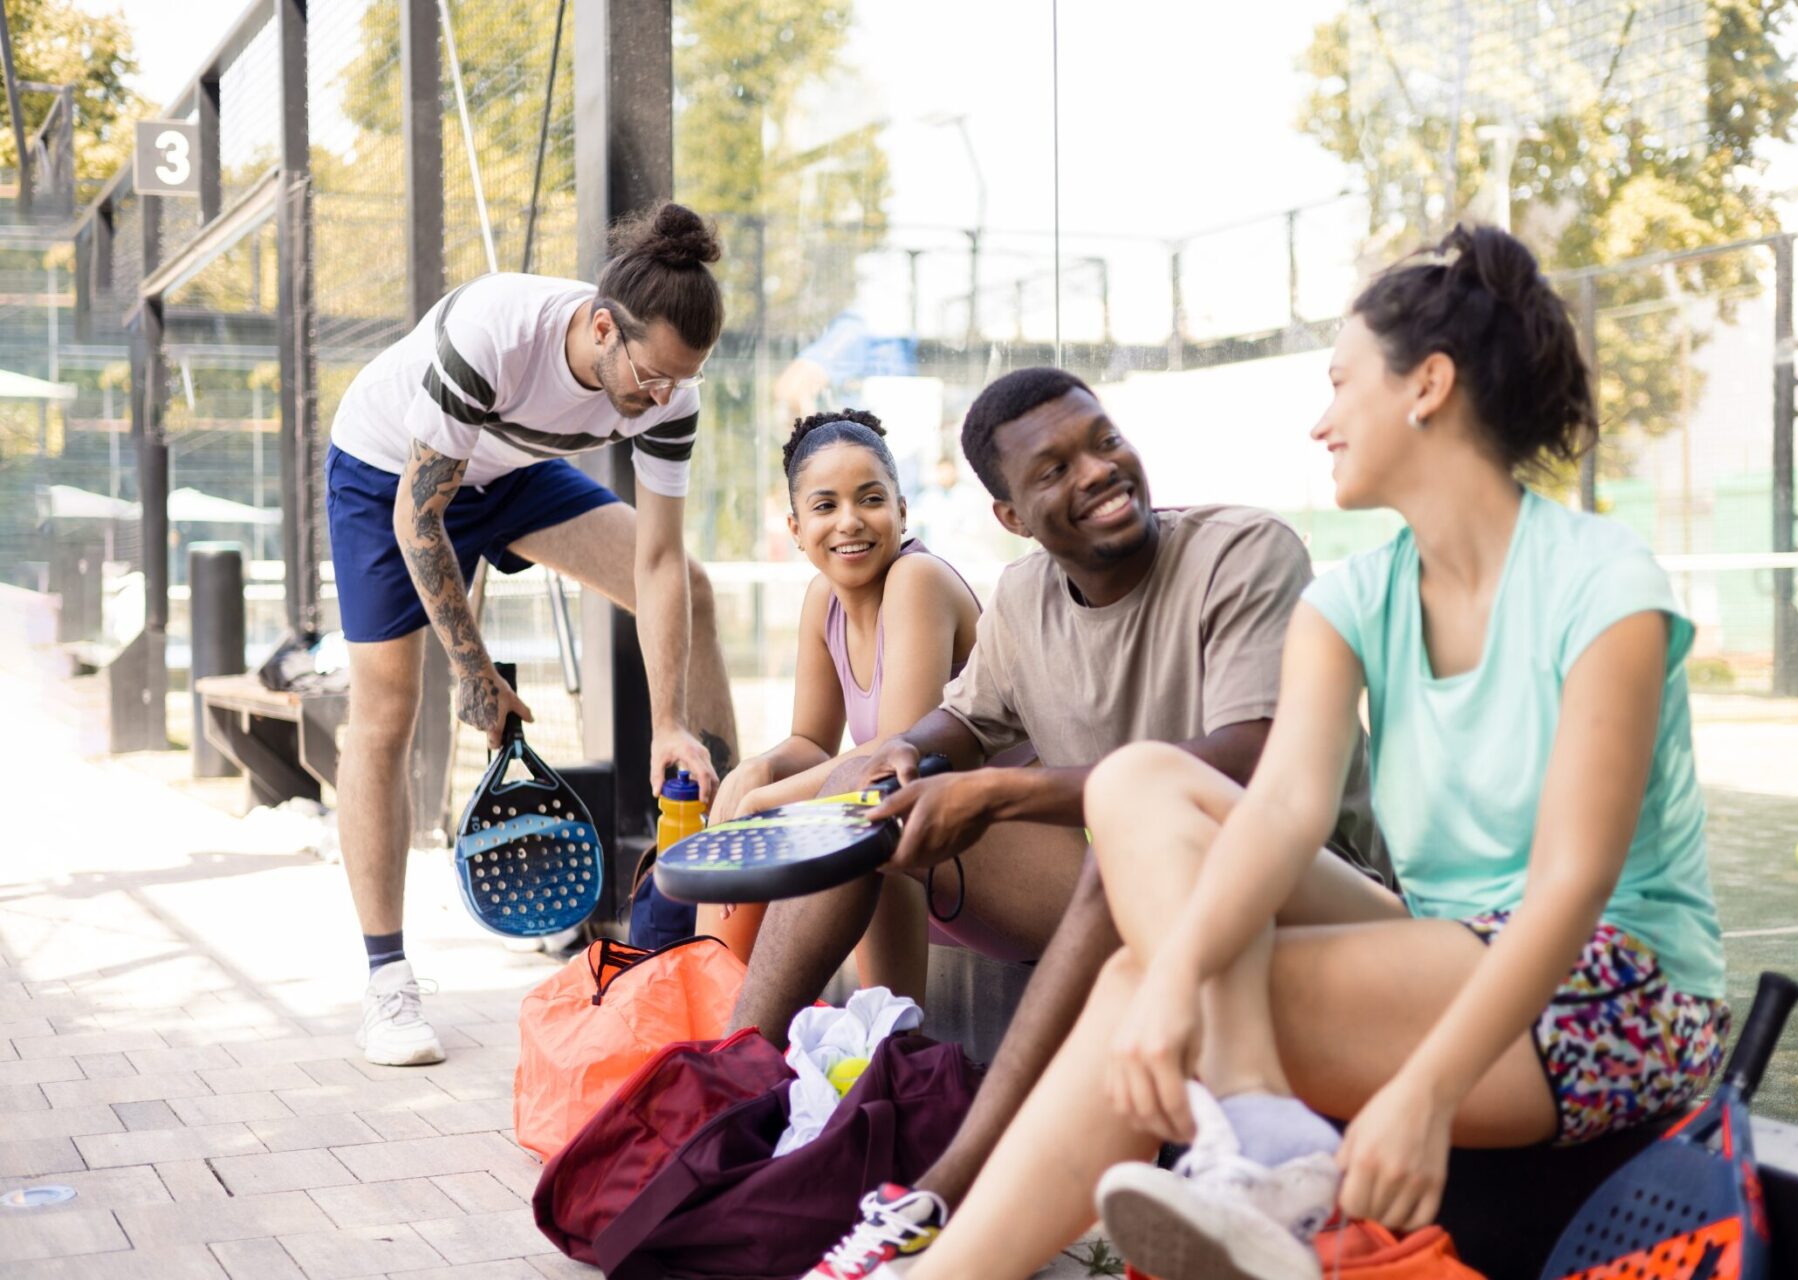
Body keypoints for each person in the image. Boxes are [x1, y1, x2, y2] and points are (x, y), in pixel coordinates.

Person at [890, 225, 1728, 1280]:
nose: (1320, 419)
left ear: (1427, 385)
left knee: (1130, 991)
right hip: (1439, 935)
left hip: (1619, 984)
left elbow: (1573, 881)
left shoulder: (1603, 583)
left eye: (1341, 384)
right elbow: (1279, 817)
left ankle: (984, 1252)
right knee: (1138, 785)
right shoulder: (1353, 601)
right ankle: (1257, 1135)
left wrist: (1426, 1091)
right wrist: (1172, 974)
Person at [758, 368, 1385, 1279]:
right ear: (1011, 515)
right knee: (873, 801)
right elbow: (967, 720)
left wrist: (1004, 795)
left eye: (1103, 441)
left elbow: (1256, 766)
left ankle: (942, 1189)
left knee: (1128, 810)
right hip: (1136, 894)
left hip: (1297, 891)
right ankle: (736, 1080)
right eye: (1052, 469)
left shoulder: (1246, 552)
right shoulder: (1023, 599)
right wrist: (907, 752)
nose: (1096, 471)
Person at [324, 201, 740, 1066]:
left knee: (690, 585)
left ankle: (729, 863)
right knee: (388, 712)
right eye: (651, 377)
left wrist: (669, 724)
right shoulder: (495, 333)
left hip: (511, 471)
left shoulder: (672, 390)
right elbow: (420, 515)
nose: (662, 398)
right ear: (599, 326)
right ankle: (388, 983)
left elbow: (659, 563)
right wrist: (474, 672)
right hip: (388, 473)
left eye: (679, 382)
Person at [700, 409, 1002, 996]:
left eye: (869, 500)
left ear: (902, 510)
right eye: (824, 506)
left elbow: (891, 763)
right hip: (941, 855)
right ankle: (720, 1036)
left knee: (874, 819)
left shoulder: (918, 581)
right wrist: (756, 775)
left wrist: (763, 803)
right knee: (749, 794)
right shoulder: (824, 599)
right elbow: (811, 743)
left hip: (1001, 855)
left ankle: (891, 1051)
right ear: (794, 527)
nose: (849, 522)